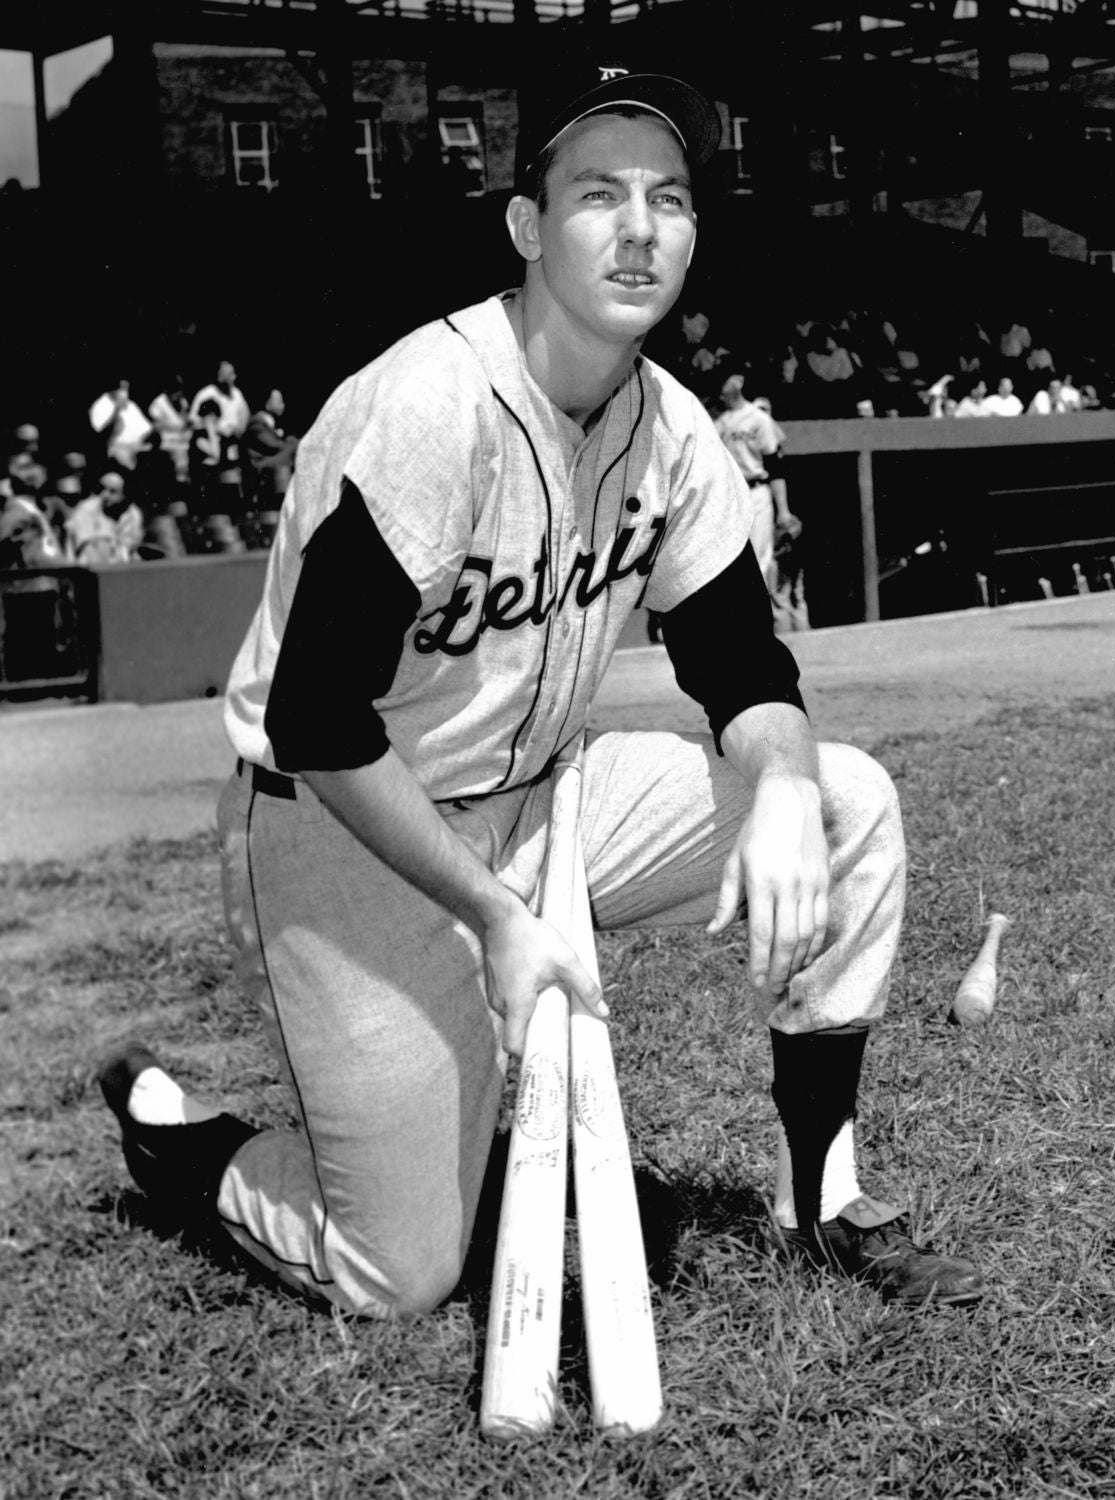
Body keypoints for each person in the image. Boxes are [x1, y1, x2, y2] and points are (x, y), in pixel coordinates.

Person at [98, 59, 984, 1322]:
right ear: (527, 225)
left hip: (542, 801)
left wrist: (782, 780)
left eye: (669, 199)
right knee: (399, 1274)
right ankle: (185, 1144)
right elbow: (318, 719)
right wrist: (501, 920)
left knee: (847, 801)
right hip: (340, 825)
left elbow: (739, 660)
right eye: (598, 194)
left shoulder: (676, 430)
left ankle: (820, 1195)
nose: (638, 228)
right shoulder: (428, 407)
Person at [713, 372, 801, 621]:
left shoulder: (758, 418)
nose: (723, 385)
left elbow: (775, 465)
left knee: (760, 558)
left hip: (757, 490)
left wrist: (783, 509)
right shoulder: (720, 422)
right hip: (730, 495)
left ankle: (755, 622)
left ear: (739, 382)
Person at [64, 470, 145, 566]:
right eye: (102, 489)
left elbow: (130, 546)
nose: (105, 495)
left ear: (125, 495)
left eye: (112, 491)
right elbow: (88, 550)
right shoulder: (86, 509)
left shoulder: (133, 514)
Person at [242, 388, 298, 511]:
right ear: (267, 403)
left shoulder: (270, 424)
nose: (282, 405)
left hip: (270, 464)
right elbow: (273, 445)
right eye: (279, 401)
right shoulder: (257, 423)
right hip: (260, 466)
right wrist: (292, 444)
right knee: (294, 447)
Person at [88, 379, 155, 472]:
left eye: (126, 389)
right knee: (128, 464)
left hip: (138, 444)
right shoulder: (100, 405)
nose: (125, 392)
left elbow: (147, 428)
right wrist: (117, 410)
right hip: (116, 447)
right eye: (123, 389)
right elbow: (102, 434)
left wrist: (140, 442)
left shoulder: (130, 405)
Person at [190, 360, 251, 439]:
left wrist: (240, 430)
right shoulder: (206, 394)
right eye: (230, 374)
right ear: (220, 377)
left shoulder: (236, 393)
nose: (234, 377)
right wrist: (216, 428)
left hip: (235, 439)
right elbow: (192, 420)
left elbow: (245, 414)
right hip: (213, 439)